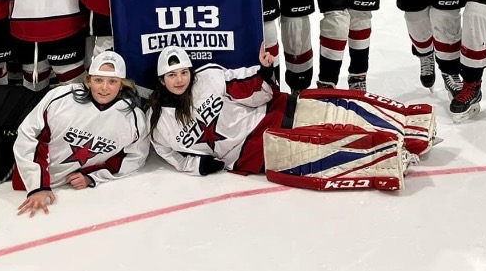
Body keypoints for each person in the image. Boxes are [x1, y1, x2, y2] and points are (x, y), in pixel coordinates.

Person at [148, 46, 435, 190]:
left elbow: (250, 90)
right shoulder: (158, 123)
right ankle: (389, 160)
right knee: (329, 151)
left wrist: (264, 72)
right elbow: (171, 154)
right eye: (172, 75)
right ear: (161, 80)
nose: (179, 79)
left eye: (183, 72)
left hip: (275, 113)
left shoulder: (209, 77)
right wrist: (197, 165)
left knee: (340, 109)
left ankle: (412, 127)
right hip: (256, 153)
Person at [13, 50, 150, 217]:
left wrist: (93, 177)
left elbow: (134, 158)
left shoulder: (134, 118)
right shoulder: (61, 98)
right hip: (30, 181)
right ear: (88, 80)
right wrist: (38, 186)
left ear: (121, 84)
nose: (104, 88)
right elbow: (30, 136)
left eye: (112, 81)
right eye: (98, 80)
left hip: (73, 194)